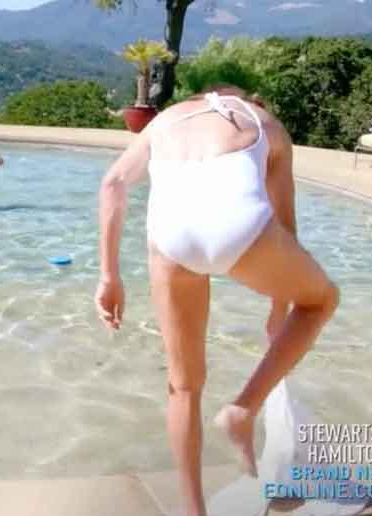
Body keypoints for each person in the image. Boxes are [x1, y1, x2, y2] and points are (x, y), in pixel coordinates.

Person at [95, 85, 339, 516]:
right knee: (321, 300)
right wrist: (279, 308)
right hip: (239, 226)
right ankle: (243, 409)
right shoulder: (266, 124)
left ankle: (193, 511)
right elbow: (285, 224)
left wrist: (109, 277)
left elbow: (113, 184)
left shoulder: (164, 119)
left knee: (183, 386)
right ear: (247, 100)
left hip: (170, 240)